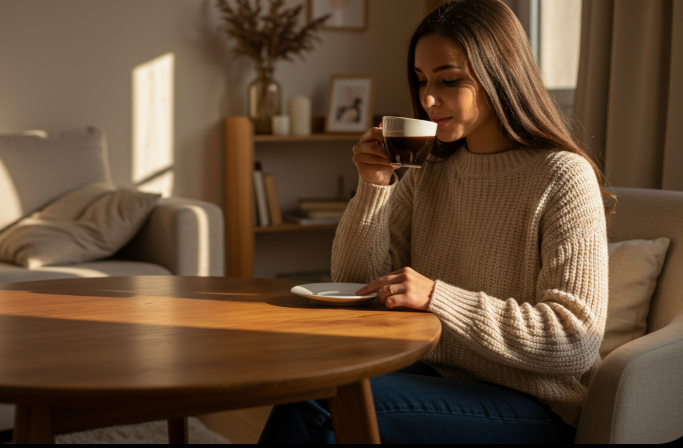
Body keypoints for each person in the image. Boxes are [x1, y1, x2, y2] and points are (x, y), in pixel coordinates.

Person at [258, 0, 610, 444]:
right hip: (436, 374)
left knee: (319, 404)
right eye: (422, 80)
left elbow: (576, 340)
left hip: (534, 405)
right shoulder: (433, 174)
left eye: (448, 80)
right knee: (312, 383)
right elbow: (354, 282)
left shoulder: (561, 176)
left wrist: (437, 298)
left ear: (499, 74)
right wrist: (374, 186)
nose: (427, 99)